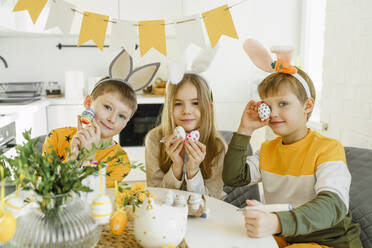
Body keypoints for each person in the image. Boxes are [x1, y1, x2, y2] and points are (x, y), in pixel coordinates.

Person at [223, 40, 361, 247]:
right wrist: (245, 130)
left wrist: (277, 222)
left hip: (328, 242)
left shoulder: (328, 149)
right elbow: (234, 177)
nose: (274, 113)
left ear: (307, 105)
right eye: (268, 106)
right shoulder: (268, 150)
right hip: (287, 237)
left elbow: (333, 205)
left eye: (283, 104)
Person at [43, 49, 160, 188]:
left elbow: (91, 199)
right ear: (88, 102)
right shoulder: (56, 137)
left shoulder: (120, 162)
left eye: (122, 116)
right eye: (107, 107)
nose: (112, 119)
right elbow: (47, 190)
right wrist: (75, 157)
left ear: (126, 123)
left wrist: (88, 158)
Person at [145, 73, 225, 199]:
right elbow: (156, 197)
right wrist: (176, 168)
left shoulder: (217, 146)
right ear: (168, 108)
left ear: (209, 108)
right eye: (178, 104)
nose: (186, 111)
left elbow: (213, 201)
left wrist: (193, 171)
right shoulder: (155, 139)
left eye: (195, 103)